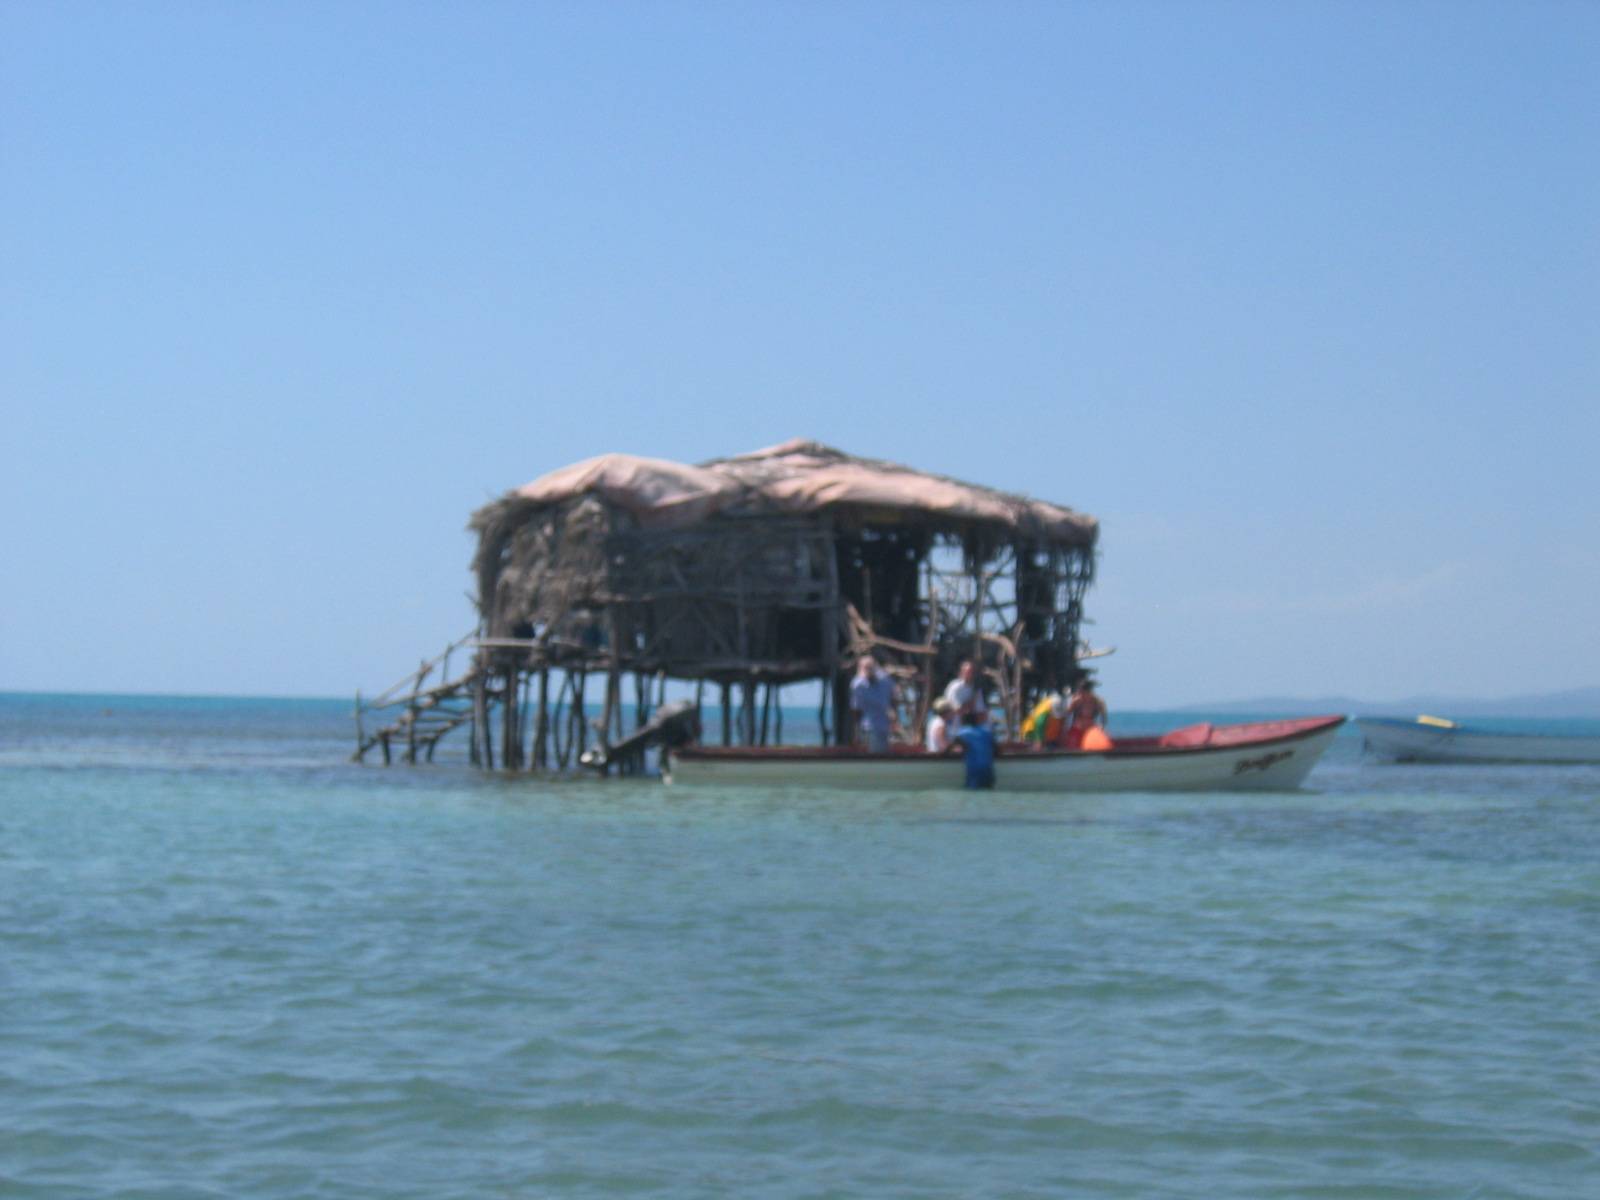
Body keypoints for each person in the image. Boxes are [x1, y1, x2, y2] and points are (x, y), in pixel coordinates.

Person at [849, 655, 897, 753]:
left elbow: (894, 698)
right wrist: (856, 732)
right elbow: (856, 710)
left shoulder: (885, 681)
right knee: (875, 755)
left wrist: (894, 718)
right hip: (869, 727)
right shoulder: (859, 685)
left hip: (883, 726)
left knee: (879, 755)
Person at [949, 709, 996, 789]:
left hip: (974, 771)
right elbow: (996, 750)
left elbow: (949, 749)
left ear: (964, 721)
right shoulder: (987, 732)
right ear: (976, 721)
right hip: (988, 771)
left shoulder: (962, 733)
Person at [1061, 677, 1109, 750]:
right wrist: (1064, 729)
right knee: (1073, 749)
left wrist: (1102, 727)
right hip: (1077, 729)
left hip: (1091, 729)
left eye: (1082, 691)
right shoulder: (1076, 701)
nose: (1080, 693)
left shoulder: (1098, 701)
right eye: (1080, 690)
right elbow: (1067, 715)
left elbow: (1104, 716)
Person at [941, 660, 989, 726]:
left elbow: (981, 713)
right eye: (967, 672)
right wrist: (971, 704)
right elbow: (956, 710)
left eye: (972, 672)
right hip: (953, 727)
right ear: (961, 672)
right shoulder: (955, 687)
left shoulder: (976, 689)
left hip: (970, 727)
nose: (970, 674)